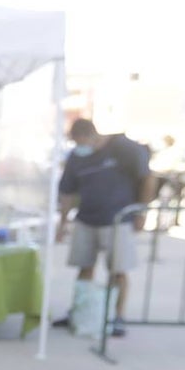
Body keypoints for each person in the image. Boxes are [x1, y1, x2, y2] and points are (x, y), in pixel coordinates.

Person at [53, 118, 156, 337]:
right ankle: (80, 311)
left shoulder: (123, 148)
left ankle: (117, 316)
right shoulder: (76, 157)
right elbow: (67, 192)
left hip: (117, 219)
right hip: (86, 219)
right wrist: (62, 223)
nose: (80, 146)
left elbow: (147, 178)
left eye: (82, 141)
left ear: (92, 135)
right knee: (84, 267)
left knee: (118, 270)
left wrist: (141, 210)